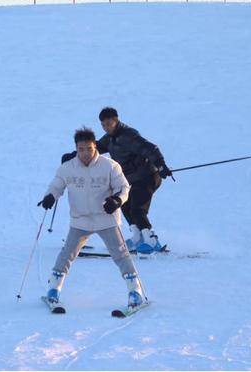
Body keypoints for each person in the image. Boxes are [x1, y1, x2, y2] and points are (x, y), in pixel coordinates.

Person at [37, 127, 146, 312]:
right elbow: (57, 184)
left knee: (121, 255)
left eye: (89, 148)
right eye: (81, 149)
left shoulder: (109, 165)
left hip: (106, 219)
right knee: (66, 255)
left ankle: (135, 292)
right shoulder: (68, 168)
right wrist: (50, 196)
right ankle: (53, 290)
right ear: (76, 149)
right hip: (80, 220)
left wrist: (117, 200)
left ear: (95, 146)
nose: (85, 153)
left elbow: (124, 188)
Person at [62, 107, 172, 254]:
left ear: (116, 120)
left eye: (109, 123)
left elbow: (149, 148)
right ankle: (137, 237)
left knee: (137, 209)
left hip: (148, 176)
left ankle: (152, 241)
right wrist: (73, 156)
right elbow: (95, 148)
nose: (106, 127)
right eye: (103, 125)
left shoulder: (129, 135)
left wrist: (161, 165)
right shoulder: (110, 138)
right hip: (133, 179)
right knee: (125, 205)